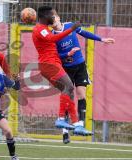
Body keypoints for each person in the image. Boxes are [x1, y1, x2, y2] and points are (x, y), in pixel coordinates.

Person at [51, 11, 115, 144]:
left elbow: (84, 33)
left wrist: (101, 39)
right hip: (66, 69)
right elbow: (56, 56)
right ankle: (65, 131)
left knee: (81, 95)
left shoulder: (70, 26)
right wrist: (67, 54)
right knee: (68, 98)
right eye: (50, 22)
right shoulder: (53, 37)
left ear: (58, 18)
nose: (53, 23)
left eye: (54, 19)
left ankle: (80, 124)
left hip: (79, 66)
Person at [32, 6, 92, 135]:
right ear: (45, 17)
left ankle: (76, 125)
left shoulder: (44, 29)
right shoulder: (39, 29)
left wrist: (67, 54)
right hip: (49, 65)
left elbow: (52, 45)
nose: (53, 18)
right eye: (52, 16)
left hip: (51, 65)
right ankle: (60, 118)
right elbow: (52, 39)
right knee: (69, 86)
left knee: (68, 92)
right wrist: (72, 29)